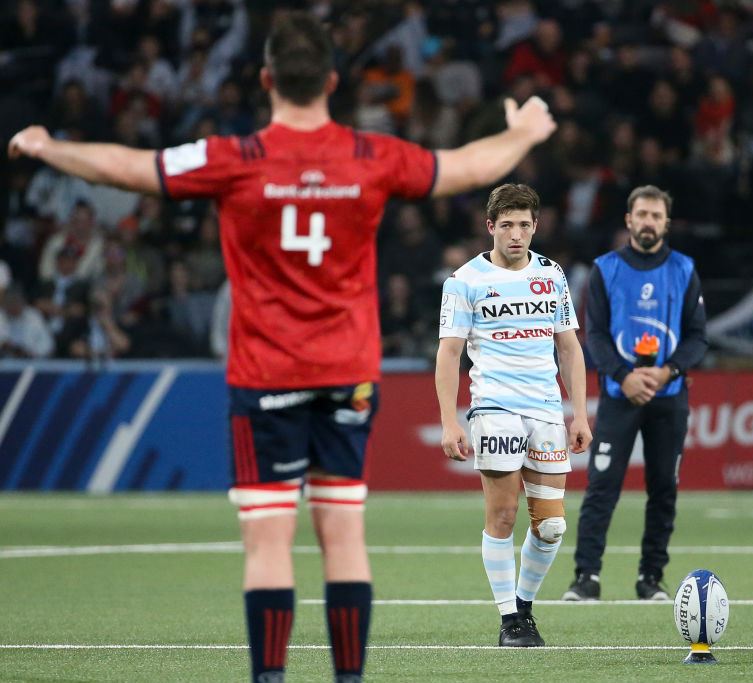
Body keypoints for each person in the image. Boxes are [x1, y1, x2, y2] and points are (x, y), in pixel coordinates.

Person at [9, 11, 556, 682]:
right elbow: (471, 166)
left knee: (269, 537)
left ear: (266, 79)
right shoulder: (372, 155)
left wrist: (45, 146)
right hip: (348, 372)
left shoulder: (233, 157)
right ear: (331, 80)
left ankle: (269, 677)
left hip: (265, 374)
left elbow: (130, 168)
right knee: (343, 533)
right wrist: (527, 128)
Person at [435, 183, 592, 646]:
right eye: (507, 225)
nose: (516, 234)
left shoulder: (552, 274)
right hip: (494, 407)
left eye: (524, 224)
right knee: (503, 516)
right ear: (490, 228)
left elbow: (569, 347)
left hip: (546, 408)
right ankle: (509, 621)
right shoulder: (464, 280)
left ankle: (524, 606)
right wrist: (449, 419)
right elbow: (449, 354)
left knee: (552, 526)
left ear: (536, 226)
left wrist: (579, 413)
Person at [563, 185, 707, 601]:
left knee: (664, 488)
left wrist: (666, 372)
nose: (648, 222)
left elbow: (698, 337)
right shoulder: (605, 269)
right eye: (641, 214)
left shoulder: (684, 269)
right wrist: (625, 376)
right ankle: (586, 577)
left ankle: (650, 578)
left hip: (669, 396)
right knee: (602, 486)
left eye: (656, 216)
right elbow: (595, 335)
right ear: (629, 220)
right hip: (618, 395)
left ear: (666, 222)